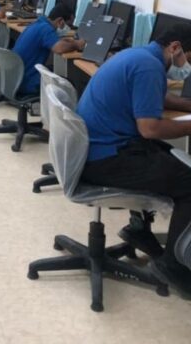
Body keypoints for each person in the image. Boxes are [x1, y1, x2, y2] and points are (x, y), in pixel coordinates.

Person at [77, 24, 191, 298]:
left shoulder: (139, 56)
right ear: (175, 48)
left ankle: (139, 231)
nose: (188, 66)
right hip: (106, 157)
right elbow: (149, 129)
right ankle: (172, 266)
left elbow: (156, 97)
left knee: (168, 157)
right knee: (188, 182)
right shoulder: (149, 67)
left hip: (97, 147)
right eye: (189, 57)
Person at [13, 3, 85, 95]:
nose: (70, 28)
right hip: (27, 82)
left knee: (53, 68)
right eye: (69, 25)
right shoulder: (46, 29)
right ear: (60, 21)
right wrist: (77, 44)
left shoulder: (38, 24)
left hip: (16, 77)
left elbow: (55, 42)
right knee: (69, 83)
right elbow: (59, 48)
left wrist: (67, 42)